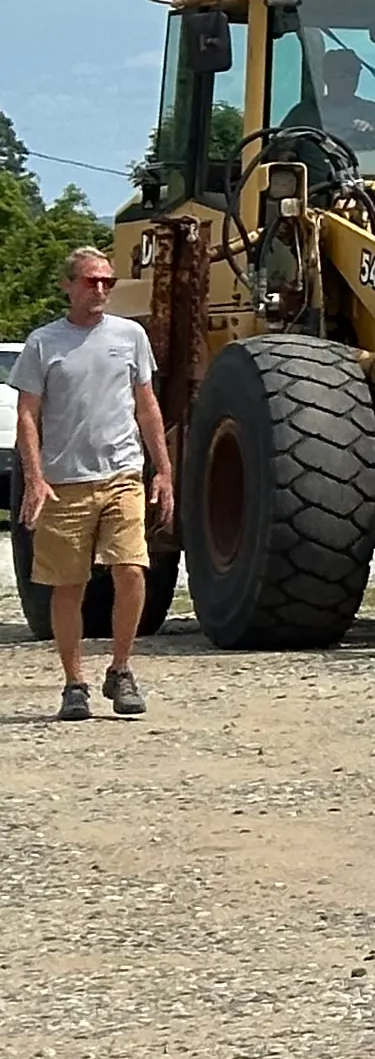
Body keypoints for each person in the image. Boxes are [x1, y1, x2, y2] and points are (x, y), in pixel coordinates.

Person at [12, 248, 175, 720]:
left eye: (107, 281)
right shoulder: (44, 343)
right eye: (90, 282)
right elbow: (27, 414)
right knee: (68, 585)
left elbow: (147, 406)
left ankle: (121, 669)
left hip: (122, 474)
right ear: (68, 286)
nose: (100, 290)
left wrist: (161, 469)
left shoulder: (130, 336)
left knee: (130, 568)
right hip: (65, 481)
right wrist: (34, 478)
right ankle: (74, 682)